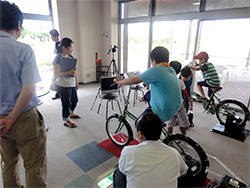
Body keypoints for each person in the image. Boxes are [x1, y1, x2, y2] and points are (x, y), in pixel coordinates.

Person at [0, 1, 47, 187]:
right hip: (24, 119)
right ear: (18, 25)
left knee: (8, 163)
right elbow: (29, 90)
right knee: (34, 166)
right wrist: (12, 118)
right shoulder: (23, 49)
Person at [113, 112, 188, 188]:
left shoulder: (128, 151)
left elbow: (123, 170)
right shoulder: (174, 153)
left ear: (140, 134)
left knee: (118, 172)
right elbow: (184, 173)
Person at [114, 46, 182, 123]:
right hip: (176, 105)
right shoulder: (171, 69)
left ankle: (155, 123)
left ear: (154, 60)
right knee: (148, 95)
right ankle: (157, 123)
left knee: (139, 123)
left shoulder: (156, 70)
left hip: (164, 109)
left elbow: (133, 80)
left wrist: (119, 82)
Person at [52, 37, 80, 128]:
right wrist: (69, 72)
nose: (72, 50)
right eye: (70, 48)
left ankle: (70, 113)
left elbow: (74, 71)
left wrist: (76, 82)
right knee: (66, 103)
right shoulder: (58, 58)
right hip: (62, 85)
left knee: (75, 100)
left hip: (71, 83)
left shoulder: (70, 57)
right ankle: (66, 120)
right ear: (64, 48)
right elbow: (56, 74)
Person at [166, 61, 189, 135]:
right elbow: (183, 95)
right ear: (179, 71)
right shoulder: (180, 82)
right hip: (179, 104)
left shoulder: (166, 81)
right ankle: (184, 136)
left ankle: (169, 136)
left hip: (169, 104)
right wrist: (183, 102)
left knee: (170, 122)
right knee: (182, 121)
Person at [49, 29, 60, 99]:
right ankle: (58, 93)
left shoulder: (58, 44)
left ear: (56, 36)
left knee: (57, 78)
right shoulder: (57, 43)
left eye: (51, 36)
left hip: (58, 64)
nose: (51, 38)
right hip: (57, 63)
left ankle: (59, 93)